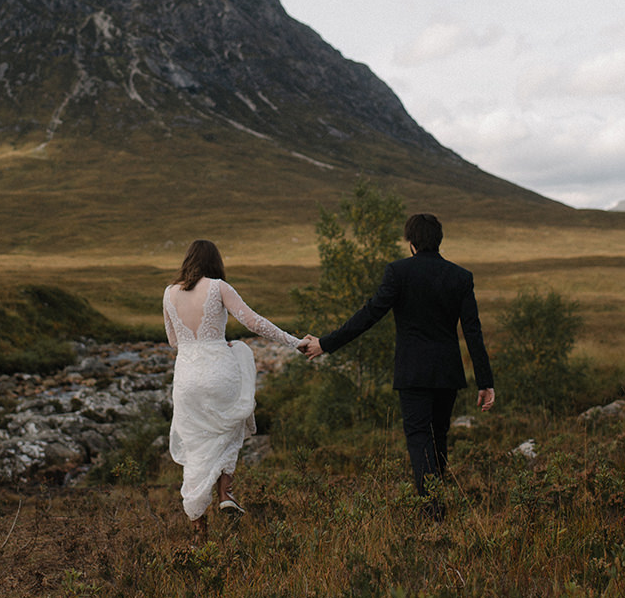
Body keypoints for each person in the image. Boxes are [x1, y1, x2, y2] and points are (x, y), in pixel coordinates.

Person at [301, 213, 494, 519]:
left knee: (419, 439)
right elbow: (473, 330)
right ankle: (436, 504)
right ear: (438, 240)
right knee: (438, 437)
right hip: (447, 373)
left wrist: (326, 343)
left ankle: (432, 511)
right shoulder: (460, 277)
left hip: (413, 372)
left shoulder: (399, 272)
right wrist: (486, 382)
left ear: (411, 242)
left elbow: (369, 314)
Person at [163, 239, 305, 534]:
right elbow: (254, 322)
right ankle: (225, 494)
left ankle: (198, 527)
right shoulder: (218, 288)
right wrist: (293, 341)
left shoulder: (169, 293)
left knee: (196, 448)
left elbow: (174, 342)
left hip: (187, 378)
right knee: (230, 428)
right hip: (218, 372)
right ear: (215, 262)